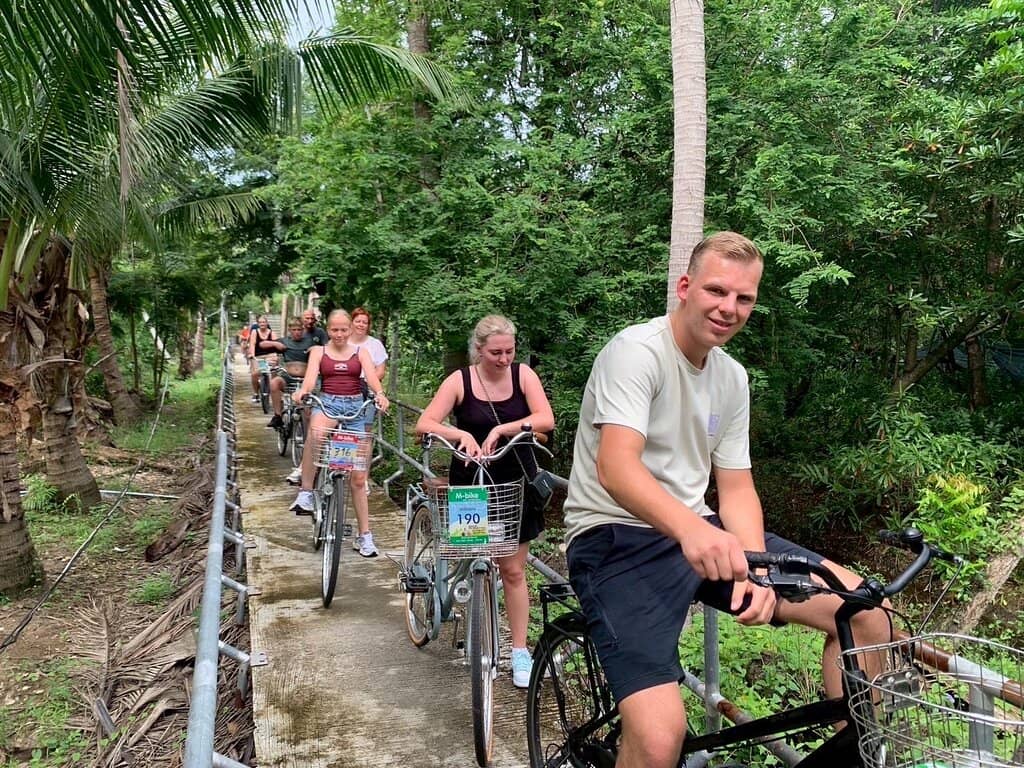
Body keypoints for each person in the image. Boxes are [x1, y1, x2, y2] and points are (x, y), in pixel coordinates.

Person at [563, 232, 891, 768]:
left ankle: (856, 755)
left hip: (701, 530)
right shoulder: (636, 352)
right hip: (615, 537)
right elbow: (616, 467)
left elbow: (736, 487)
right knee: (660, 739)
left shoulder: (731, 377)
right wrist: (694, 531)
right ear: (685, 287)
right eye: (716, 291)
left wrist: (758, 569)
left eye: (744, 298)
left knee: (869, 615)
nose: (729, 308)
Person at [416, 315, 555, 688]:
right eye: (496, 352)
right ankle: (465, 600)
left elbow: (545, 419)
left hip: (515, 481)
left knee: (513, 570)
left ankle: (520, 651)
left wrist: (502, 429)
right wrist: (459, 434)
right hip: (472, 483)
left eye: (509, 351)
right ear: (478, 350)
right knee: (474, 556)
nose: (504, 359)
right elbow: (425, 423)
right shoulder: (460, 381)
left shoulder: (523, 376)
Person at [290, 309, 390, 558]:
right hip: (328, 403)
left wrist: (380, 395)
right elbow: (310, 380)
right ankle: (306, 492)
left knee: (358, 478)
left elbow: (373, 379)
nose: (339, 334)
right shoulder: (319, 351)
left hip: (355, 407)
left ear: (350, 329)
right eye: (334, 329)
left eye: (344, 329)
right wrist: (302, 392)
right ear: (329, 330)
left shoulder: (361, 352)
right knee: (316, 435)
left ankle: (364, 535)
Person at [264, 317, 315, 429]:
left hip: (305, 377)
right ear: (290, 330)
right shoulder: (284, 341)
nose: (297, 332)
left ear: (303, 330)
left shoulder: (310, 341)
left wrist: (315, 349)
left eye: (299, 329)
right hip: (287, 376)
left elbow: (324, 348)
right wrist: (275, 344)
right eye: (294, 330)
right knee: (274, 383)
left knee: (308, 404)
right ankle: (277, 416)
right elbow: (262, 344)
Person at [350, 307, 388, 383]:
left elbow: (380, 372)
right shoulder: (341, 342)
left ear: (368, 326)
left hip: (367, 384)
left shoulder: (376, 344)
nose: (361, 324)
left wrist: (366, 382)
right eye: (358, 321)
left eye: (364, 323)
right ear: (351, 323)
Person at [248, 316, 278, 403]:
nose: (262, 324)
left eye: (264, 322)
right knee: (254, 374)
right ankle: (256, 393)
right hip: (258, 356)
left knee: (273, 372)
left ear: (267, 323)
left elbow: (276, 345)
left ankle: (274, 391)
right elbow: (252, 344)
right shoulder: (255, 332)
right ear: (258, 324)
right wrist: (252, 355)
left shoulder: (272, 333)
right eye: (260, 322)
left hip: (270, 355)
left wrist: (275, 355)